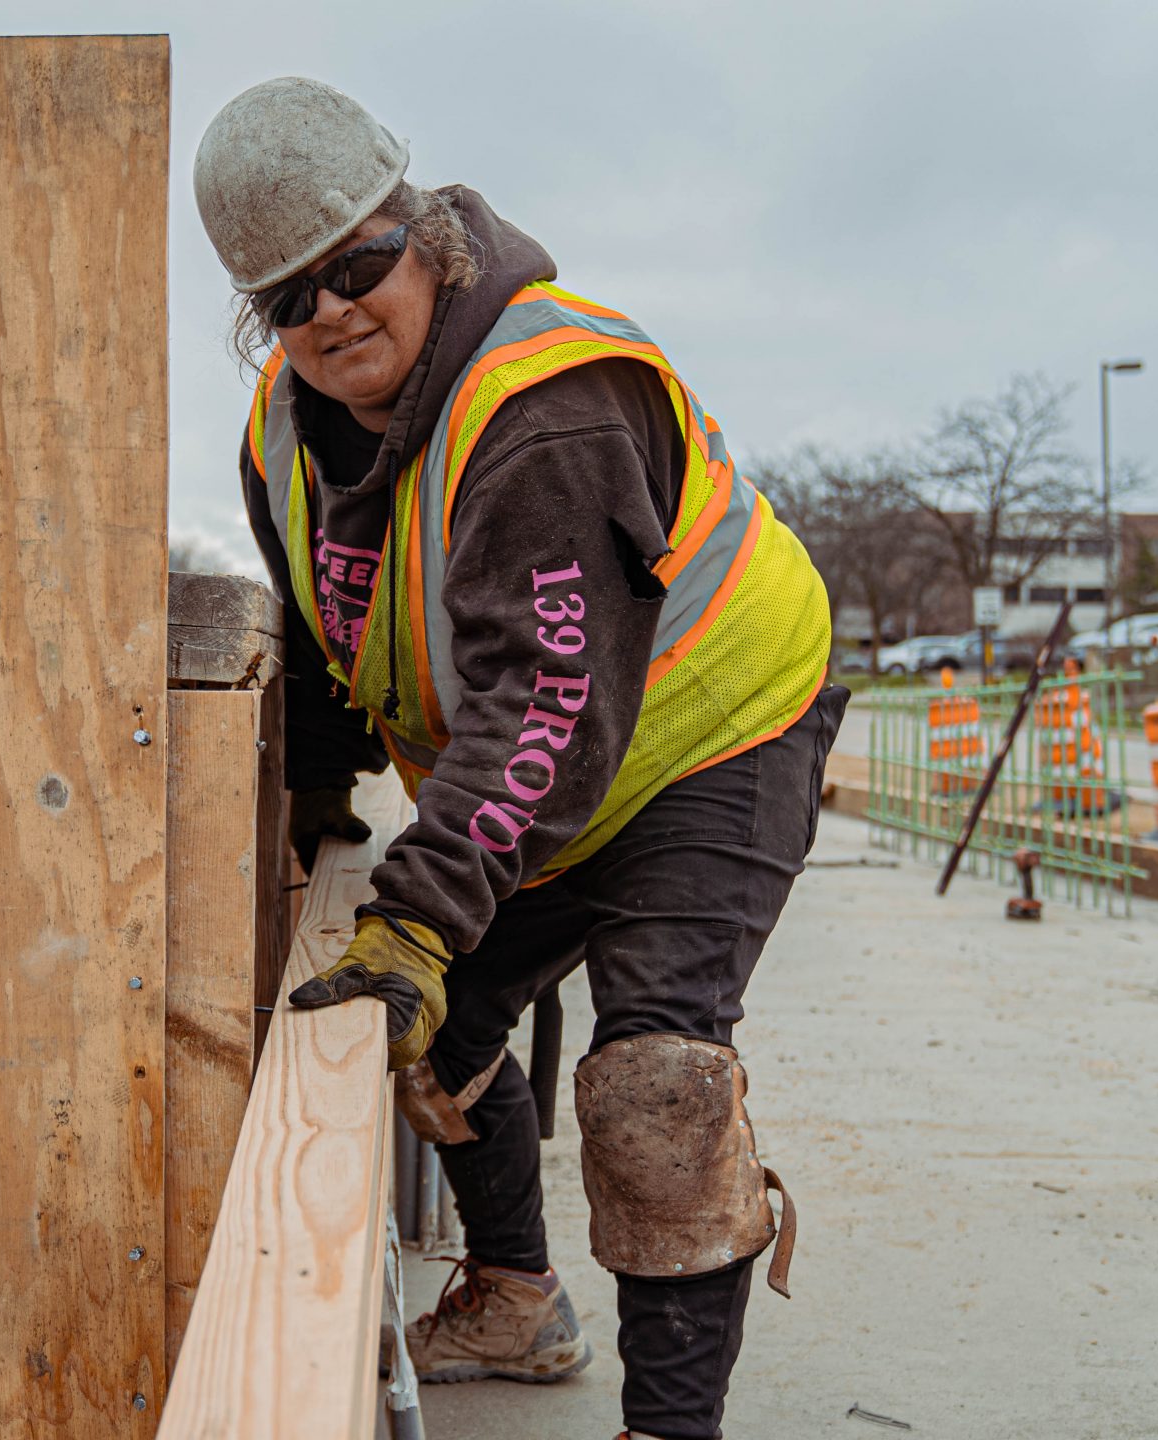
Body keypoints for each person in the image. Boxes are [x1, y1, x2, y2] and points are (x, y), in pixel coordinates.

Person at [192, 78, 848, 1440]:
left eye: (357, 265)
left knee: (657, 1079)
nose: (330, 313)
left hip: (707, 739)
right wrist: (319, 806)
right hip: (545, 766)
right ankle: (512, 1295)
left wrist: (422, 914)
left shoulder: (546, 401)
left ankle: (668, 1427)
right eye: (285, 298)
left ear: (423, 234)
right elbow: (328, 635)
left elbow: (547, 692)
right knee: (427, 1038)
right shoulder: (282, 432)